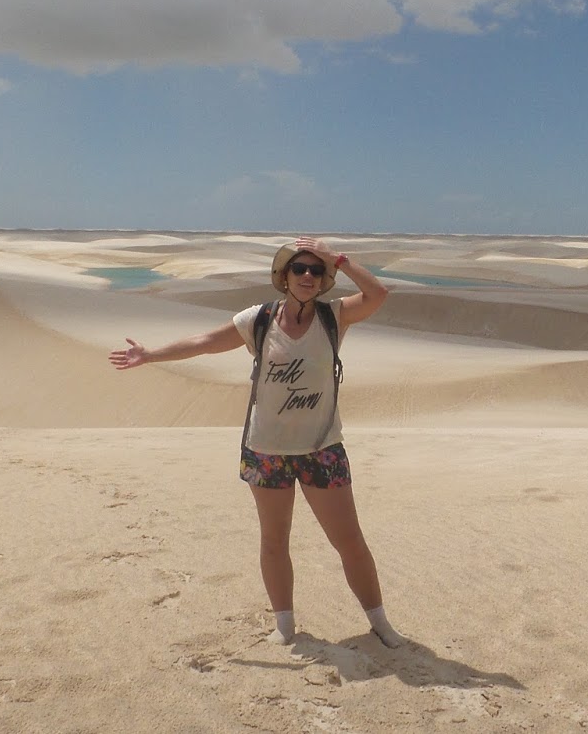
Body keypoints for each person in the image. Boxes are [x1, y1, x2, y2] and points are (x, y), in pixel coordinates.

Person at [108, 236, 405, 648]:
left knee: (349, 540)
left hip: (321, 448)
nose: (307, 275)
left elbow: (378, 293)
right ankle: (284, 626)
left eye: (316, 270)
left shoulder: (335, 316)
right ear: (283, 276)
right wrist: (151, 355)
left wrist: (338, 257)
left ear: (324, 279)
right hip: (267, 451)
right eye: (299, 268)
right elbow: (204, 343)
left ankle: (380, 622)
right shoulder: (259, 320)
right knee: (274, 540)